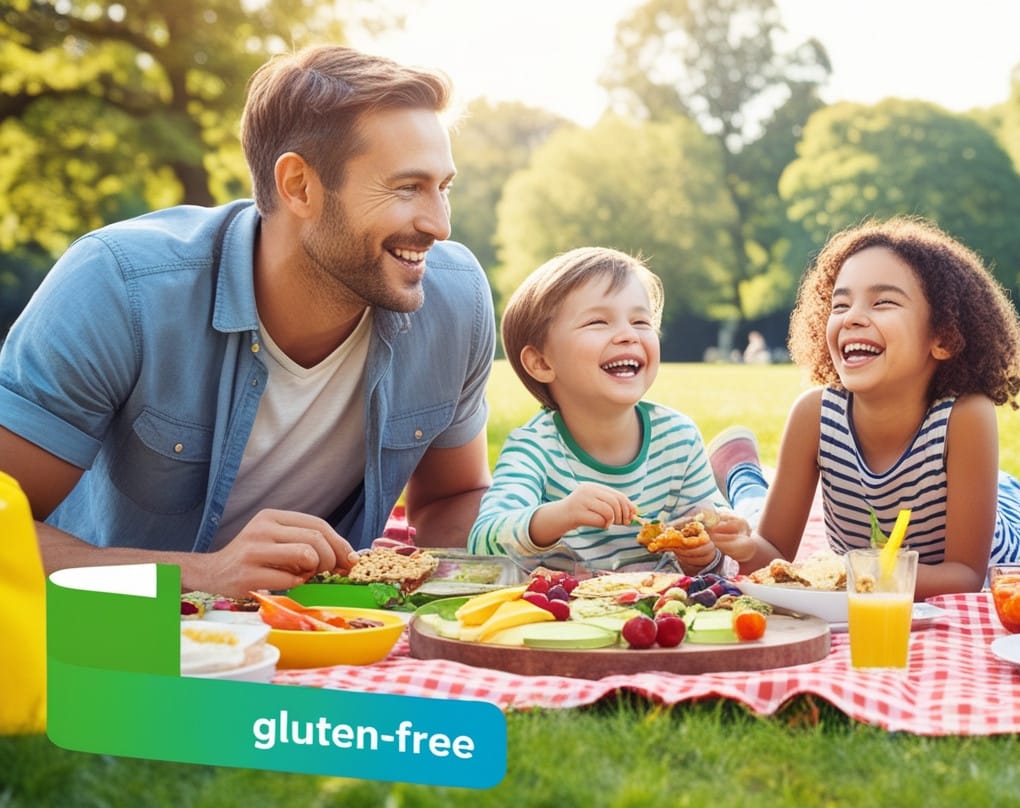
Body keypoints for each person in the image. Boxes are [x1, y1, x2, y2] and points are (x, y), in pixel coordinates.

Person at [0, 46, 495, 599]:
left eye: (442, 187)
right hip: (113, 638)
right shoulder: (120, 286)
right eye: (407, 188)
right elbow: (5, 529)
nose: (440, 224)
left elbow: (453, 500)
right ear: (299, 186)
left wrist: (533, 534)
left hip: (322, 635)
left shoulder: (455, 299)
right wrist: (203, 577)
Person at [707, 217, 1020, 598]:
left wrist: (859, 574)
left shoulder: (966, 415)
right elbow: (775, 553)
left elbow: (965, 575)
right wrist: (744, 549)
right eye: (840, 305)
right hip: (903, 558)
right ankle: (742, 471)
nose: (853, 319)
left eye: (882, 303)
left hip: (1009, 549)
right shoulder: (814, 416)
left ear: (944, 337)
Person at [467, 247, 741, 576]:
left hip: (655, 615)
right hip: (564, 618)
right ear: (541, 363)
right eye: (598, 322)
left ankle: (743, 480)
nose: (628, 335)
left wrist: (705, 555)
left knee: (749, 514)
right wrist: (561, 514)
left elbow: (723, 551)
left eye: (641, 321)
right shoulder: (534, 448)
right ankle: (741, 474)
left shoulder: (678, 438)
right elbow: (483, 542)